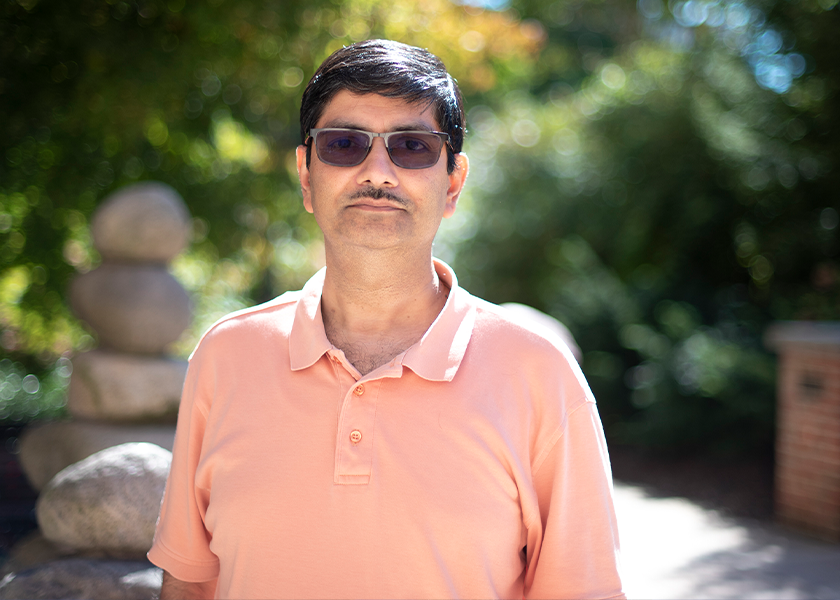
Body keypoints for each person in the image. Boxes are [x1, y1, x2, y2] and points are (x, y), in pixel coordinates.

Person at [148, 39, 625, 599]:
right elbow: (185, 586)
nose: (378, 171)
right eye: (345, 144)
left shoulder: (541, 375)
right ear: (306, 174)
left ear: (452, 182)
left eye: (414, 147)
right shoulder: (226, 357)